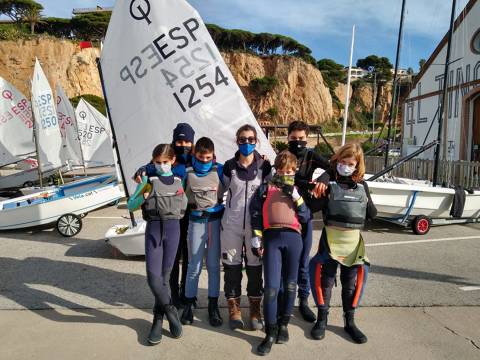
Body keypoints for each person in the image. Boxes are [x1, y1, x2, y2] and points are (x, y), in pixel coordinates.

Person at [308, 143, 377, 344]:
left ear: (357, 166)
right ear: (337, 161)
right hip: (330, 243)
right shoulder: (328, 184)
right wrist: (321, 188)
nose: (345, 166)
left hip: (353, 245)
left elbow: (372, 214)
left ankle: (350, 322)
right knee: (326, 282)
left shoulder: (363, 186)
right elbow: (313, 207)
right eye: (342, 162)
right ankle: (322, 320)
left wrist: (364, 199)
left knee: (350, 285)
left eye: (350, 163)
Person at [250, 150, 311, 356]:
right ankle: (270, 331)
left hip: (293, 239)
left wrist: (296, 197)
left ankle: (284, 324)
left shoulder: (296, 190)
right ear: (276, 170)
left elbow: (306, 217)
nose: (287, 174)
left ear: (295, 172)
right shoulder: (266, 189)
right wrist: (256, 237)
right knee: (272, 288)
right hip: (272, 239)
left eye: (291, 171)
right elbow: (256, 213)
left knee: (290, 284)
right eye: (283, 170)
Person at [127, 144, 188, 345]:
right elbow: (130, 205)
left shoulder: (179, 180)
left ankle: (157, 319)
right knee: (154, 280)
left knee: (165, 278)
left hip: (173, 231)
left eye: (165, 162)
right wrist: (141, 196)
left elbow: (184, 205)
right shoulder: (147, 180)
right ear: (153, 162)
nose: (162, 166)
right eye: (157, 162)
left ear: (172, 162)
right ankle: (171, 312)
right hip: (153, 230)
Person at [134, 123, 195, 307]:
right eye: (179, 140)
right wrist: (141, 171)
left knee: (189, 257)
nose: (183, 144)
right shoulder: (165, 160)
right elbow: (150, 167)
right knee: (173, 258)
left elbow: (214, 164)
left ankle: (187, 293)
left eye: (187, 141)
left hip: (190, 214)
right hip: (169, 217)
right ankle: (172, 294)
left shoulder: (195, 158)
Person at [221, 124, 272, 330]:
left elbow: (274, 191)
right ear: (237, 141)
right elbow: (217, 191)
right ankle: (234, 309)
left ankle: (254, 309)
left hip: (255, 227)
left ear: (256, 142)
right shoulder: (228, 166)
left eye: (251, 139)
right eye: (243, 139)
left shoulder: (265, 167)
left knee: (254, 268)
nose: (247, 143)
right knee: (231, 268)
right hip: (231, 225)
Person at [286, 120, 329, 323]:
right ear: (288, 138)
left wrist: (323, 180)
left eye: (301, 139)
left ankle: (303, 300)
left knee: (303, 261)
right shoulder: (283, 156)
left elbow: (332, 167)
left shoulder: (311, 156)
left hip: (305, 215)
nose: (297, 142)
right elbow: (279, 179)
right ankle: (285, 298)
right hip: (284, 214)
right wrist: (306, 183)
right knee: (286, 262)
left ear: (307, 138)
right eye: (293, 138)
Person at [181, 137, 224, 327]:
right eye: (201, 157)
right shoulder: (187, 172)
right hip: (196, 221)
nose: (205, 161)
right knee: (194, 266)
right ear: (194, 154)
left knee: (214, 266)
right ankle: (189, 304)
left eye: (208, 158)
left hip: (214, 222)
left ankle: (213, 307)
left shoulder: (220, 169)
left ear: (213, 156)